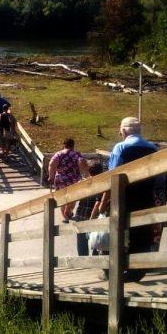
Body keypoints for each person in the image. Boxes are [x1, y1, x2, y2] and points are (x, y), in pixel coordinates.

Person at [95, 117, 158, 282]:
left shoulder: (121, 147)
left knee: (114, 232)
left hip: (122, 198)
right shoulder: (152, 148)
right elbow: (159, 178)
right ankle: (136, 271)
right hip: (145, 198)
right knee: (141, 234)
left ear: (123, 131)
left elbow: (112, 177)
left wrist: (103, 202)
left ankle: (111, 271)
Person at [48, 138, 89, 224]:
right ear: (73, 146)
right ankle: (68, 211)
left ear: (64, 145)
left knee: (62, 198)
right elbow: (82, 162)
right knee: (73, 197)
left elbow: (52, 164)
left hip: (60, 179)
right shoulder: (76, 154)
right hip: (73, 179)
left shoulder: (58, 154)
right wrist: (86, 174)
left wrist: (51, 176)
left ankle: (65, 217)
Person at [73, 161, 104, 255]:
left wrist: (68, 209)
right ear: (101, 171)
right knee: (96, 237)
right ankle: (95, 257)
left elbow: (72, 197)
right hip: (94, 216)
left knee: (81, 240)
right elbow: (98, 203)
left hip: (81, 214)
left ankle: (83, 259)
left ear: (89, 170)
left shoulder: (81, 183)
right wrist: (92, 217)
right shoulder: (102, 184)